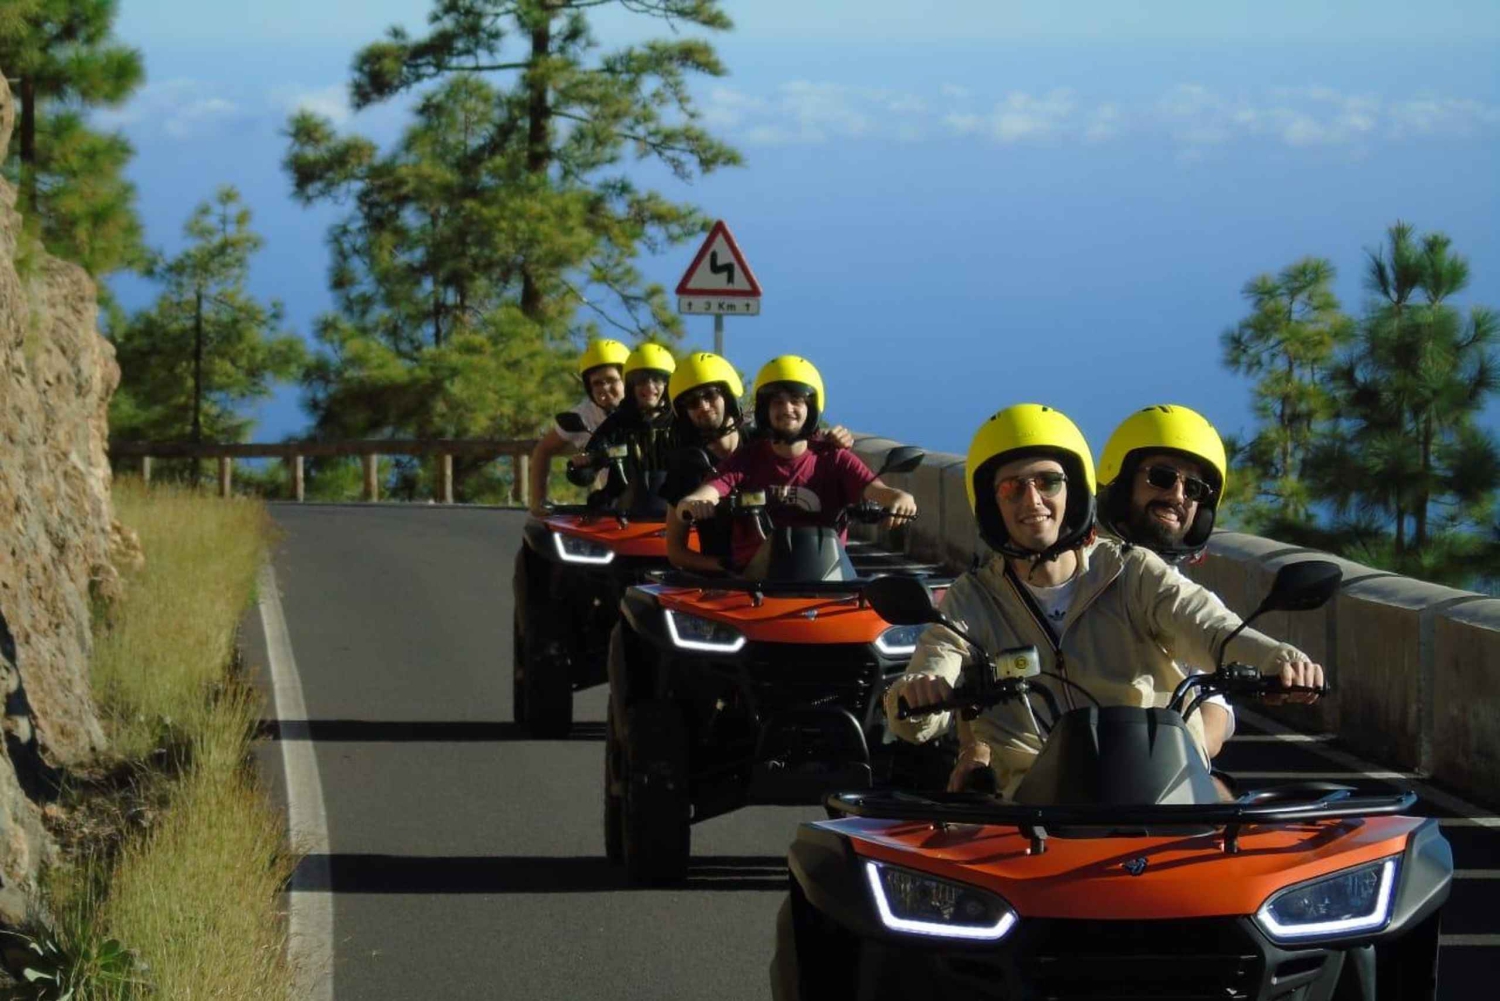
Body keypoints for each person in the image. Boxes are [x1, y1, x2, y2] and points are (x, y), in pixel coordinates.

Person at [883, 403, 1323, 797]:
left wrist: (1281, 660)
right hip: (1033, 805)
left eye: (1048, 482)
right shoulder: (970, 599)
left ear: (1073, 490)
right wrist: (920, 694)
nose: (1032, 500)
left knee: (1238, 841)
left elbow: (1211, 627)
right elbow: (925, 685)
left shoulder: (1132, 570)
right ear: (989, 505)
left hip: (1156, 784)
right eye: (1011, 488)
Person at [669, 355, 915, 575]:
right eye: (777, 402)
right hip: (756, 583)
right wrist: (694, 502)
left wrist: (899, 497)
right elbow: (714, 487)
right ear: (765, 410)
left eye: (796, 400)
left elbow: (875, 488)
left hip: (826, 578)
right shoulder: (745, 459)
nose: (787, 408)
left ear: (811, 407)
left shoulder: (834, 457)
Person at [1097, 403, 1235, 758]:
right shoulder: (1068, 572)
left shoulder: (1193, 599)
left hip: (1159, 776)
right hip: (1066, 774)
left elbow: (1214, 707)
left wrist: (1190, 760)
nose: (1177, 495)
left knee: (1224, 802)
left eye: (1194, 489)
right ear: (1123, 481)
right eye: (1161, 477)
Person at [528, 338, 628, 516]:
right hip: (616, 510)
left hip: (660, 507)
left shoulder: (653, 411)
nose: (604, 388)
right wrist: (538, 502)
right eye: (597, 383)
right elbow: (543, 450)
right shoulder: (585, 415)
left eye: (611, 380)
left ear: (627, 380)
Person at [576, 342, 678, 506]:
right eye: (640, 380)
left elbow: (707, 456)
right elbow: (592, 457)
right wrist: (584, 464)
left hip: (678, 512)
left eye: (658, 380)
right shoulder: (618, 422)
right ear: (630, 385)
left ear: (668, 384)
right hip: (623, 514)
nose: (649, 386)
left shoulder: (681, 421)